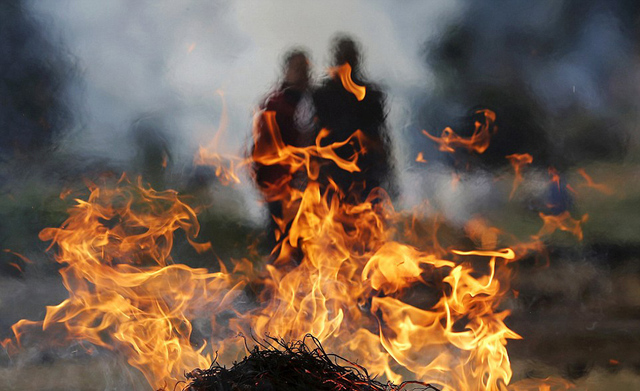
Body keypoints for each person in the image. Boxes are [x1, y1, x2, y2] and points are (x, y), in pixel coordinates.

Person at [312, 34, 396, 203]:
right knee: (334, 220)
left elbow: (379, 135)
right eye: (342, 55)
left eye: (350, 56)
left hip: (365, 170)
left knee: (366, 219)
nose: (346, 61)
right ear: (335, 58)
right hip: (333, 169)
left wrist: (387, 169)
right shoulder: (320, 95)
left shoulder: (370, 95)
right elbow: (313, 134)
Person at [251, 48, 314, 250]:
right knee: (281, 241)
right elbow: (262, 146)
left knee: (307, 242)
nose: (302, 73)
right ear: (286, 71)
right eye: (297, 68)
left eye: (304, 68)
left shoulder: (315, 103)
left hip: (311, 186)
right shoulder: (275, 105)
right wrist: (265, 179)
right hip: (281, 183)